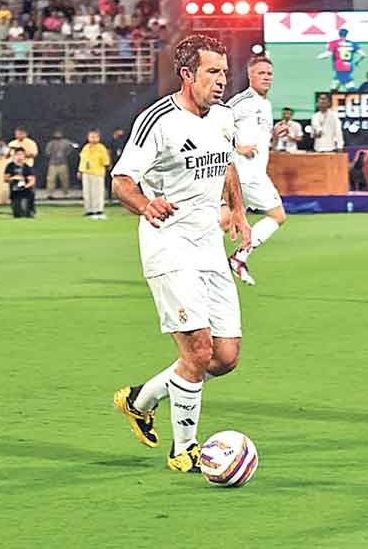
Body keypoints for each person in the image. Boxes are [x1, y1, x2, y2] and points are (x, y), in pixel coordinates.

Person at [110, 35, 251, 474]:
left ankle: (140, 399)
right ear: (187, 75)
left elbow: (226, 162)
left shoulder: (224, 117)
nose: (222, 80)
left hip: (208, 243)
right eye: (213, 72)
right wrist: (145, 204)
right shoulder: (158, 120)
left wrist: (240, 211)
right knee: (197, 350)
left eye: (225, 72)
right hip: (168, 245)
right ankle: (184, 449)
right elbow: (122, 181)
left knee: (224, 358)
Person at [224, 55, 287, 286]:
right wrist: (237, 147)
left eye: (269, 73)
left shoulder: (266, 105)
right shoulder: (242, 102)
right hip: (245, 172)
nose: (266, 77)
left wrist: (273, 136)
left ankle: (201, 265)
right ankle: (239, 257)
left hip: (253, 171)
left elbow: (258, 139)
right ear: (250, 75)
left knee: (224, 221)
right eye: (261, 73)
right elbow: (213, 124)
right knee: (277, 215)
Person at [78, 129, 111, 219]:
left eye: (95, 137)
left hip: (97, 172)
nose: (93, 139)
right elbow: (82, 160)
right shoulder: (86, 148)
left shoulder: (101, 148)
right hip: (86, 172)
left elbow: (106, 162)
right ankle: (89, 210)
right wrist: (80, 171)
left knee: (98, 192)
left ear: (98, 138)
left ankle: (98, 210)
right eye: (91, 137)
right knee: (87, 192)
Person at [4, 147, 36, 218]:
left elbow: (32, 180)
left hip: (26, 190)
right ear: (14, 155)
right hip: (14, 190)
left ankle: (30, 211)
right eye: (18, 154)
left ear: (24, 156)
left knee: (28, 214)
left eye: (21, 155)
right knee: (17, 214)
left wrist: (25, 186)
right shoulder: (10, 166)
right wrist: (13, 178)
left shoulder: (27, 167)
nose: (19, 156)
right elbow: (6, 179)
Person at [44, 130, 75, 199]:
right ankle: (50, 193)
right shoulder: (51, 143)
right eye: (56, 134)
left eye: (59, 134)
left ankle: (65, 193)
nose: (58, 135)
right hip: (53, 164)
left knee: (64, 179)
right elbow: (47, 152)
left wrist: (67, 153)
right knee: (51, 179)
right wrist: (53, 155)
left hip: (63, 163)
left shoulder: (66, 142)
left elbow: (73, 146)